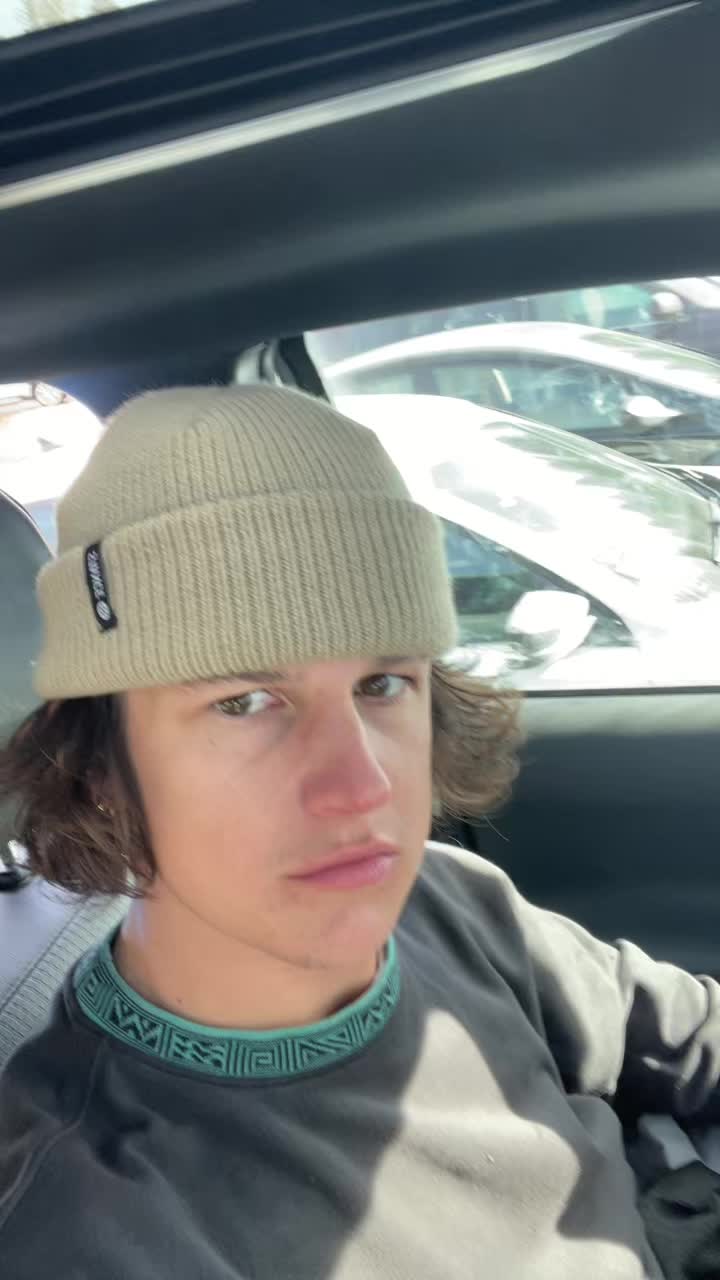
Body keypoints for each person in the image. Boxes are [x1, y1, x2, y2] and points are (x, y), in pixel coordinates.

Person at [0, 385, 719, 1280]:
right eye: (244, 701)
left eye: (382, 684)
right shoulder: (95, 1230)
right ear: (99, 770)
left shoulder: (452, 900)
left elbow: (692, 1035)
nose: (363, 786)